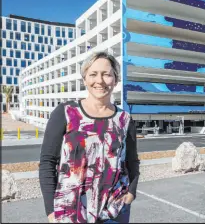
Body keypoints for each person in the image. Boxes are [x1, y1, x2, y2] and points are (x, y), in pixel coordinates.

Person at [39, 51, 140, 223]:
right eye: (93, 74)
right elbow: (48, 162)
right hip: (70, 213)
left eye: (107, 74)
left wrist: (130, 194)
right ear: (85, 79)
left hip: (114, 212)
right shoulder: (65, 113)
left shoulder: (125, 120)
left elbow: (132, 161)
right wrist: (51, 212)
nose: (99, 80)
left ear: (115, 80)